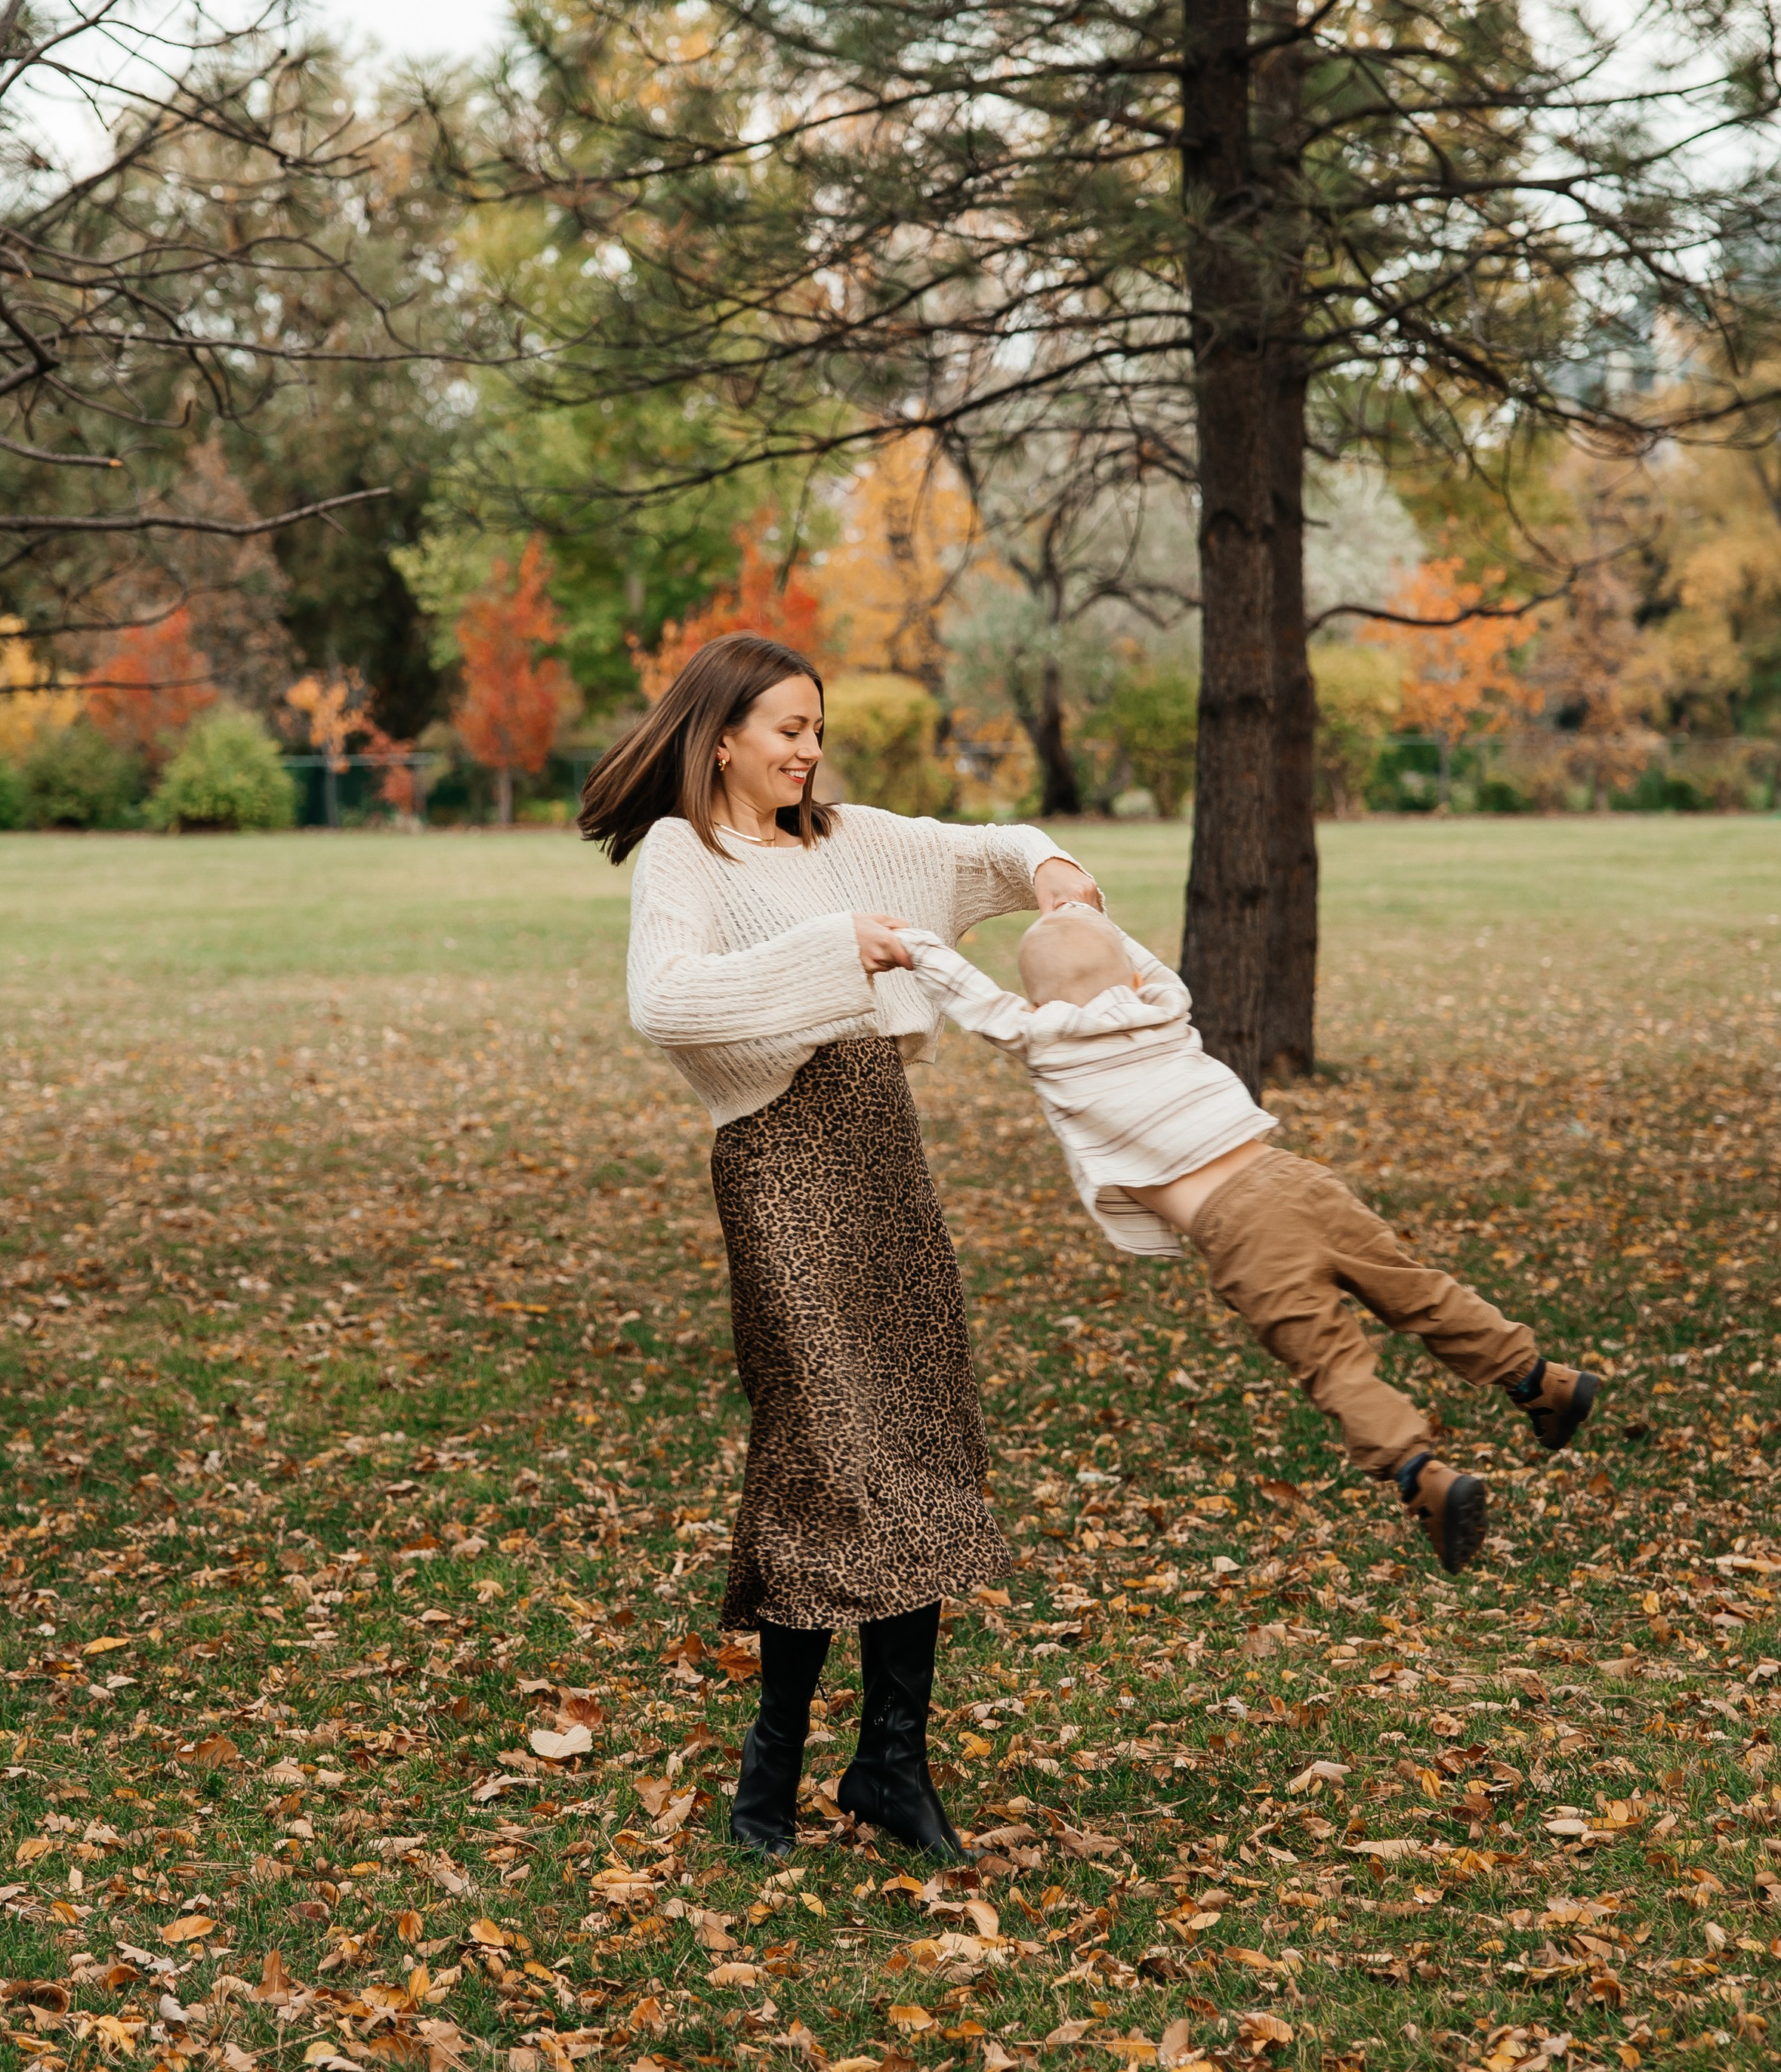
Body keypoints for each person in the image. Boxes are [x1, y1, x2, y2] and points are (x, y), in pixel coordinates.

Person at [581, 631, 1102, 1861]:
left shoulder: (848, 836)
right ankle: (769, 1781)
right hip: (779, 1165)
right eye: (789, 731)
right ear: (722, 738)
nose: (810, 752)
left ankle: (891, 1765)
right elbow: (663, 1000)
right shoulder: (684, 852)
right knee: (824, 1453)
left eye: (818, 731)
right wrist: (836, 951)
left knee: (909, 1441)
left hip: (883, 1156)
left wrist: (1059, 874)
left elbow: (991, 853)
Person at [895, 904, 1600, 1574]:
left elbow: (975, 997)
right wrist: (1093, 912)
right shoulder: (1165, 1005)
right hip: (1295, 1178)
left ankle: (1423, 1476)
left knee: (1333, 1362)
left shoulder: (1048, 1043)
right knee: (1418, 1291)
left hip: (1242, 1231)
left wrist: (910, 944)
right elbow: (1141, 962)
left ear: (1039, 1002)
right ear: (1133, 976)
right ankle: (1541, 1379)